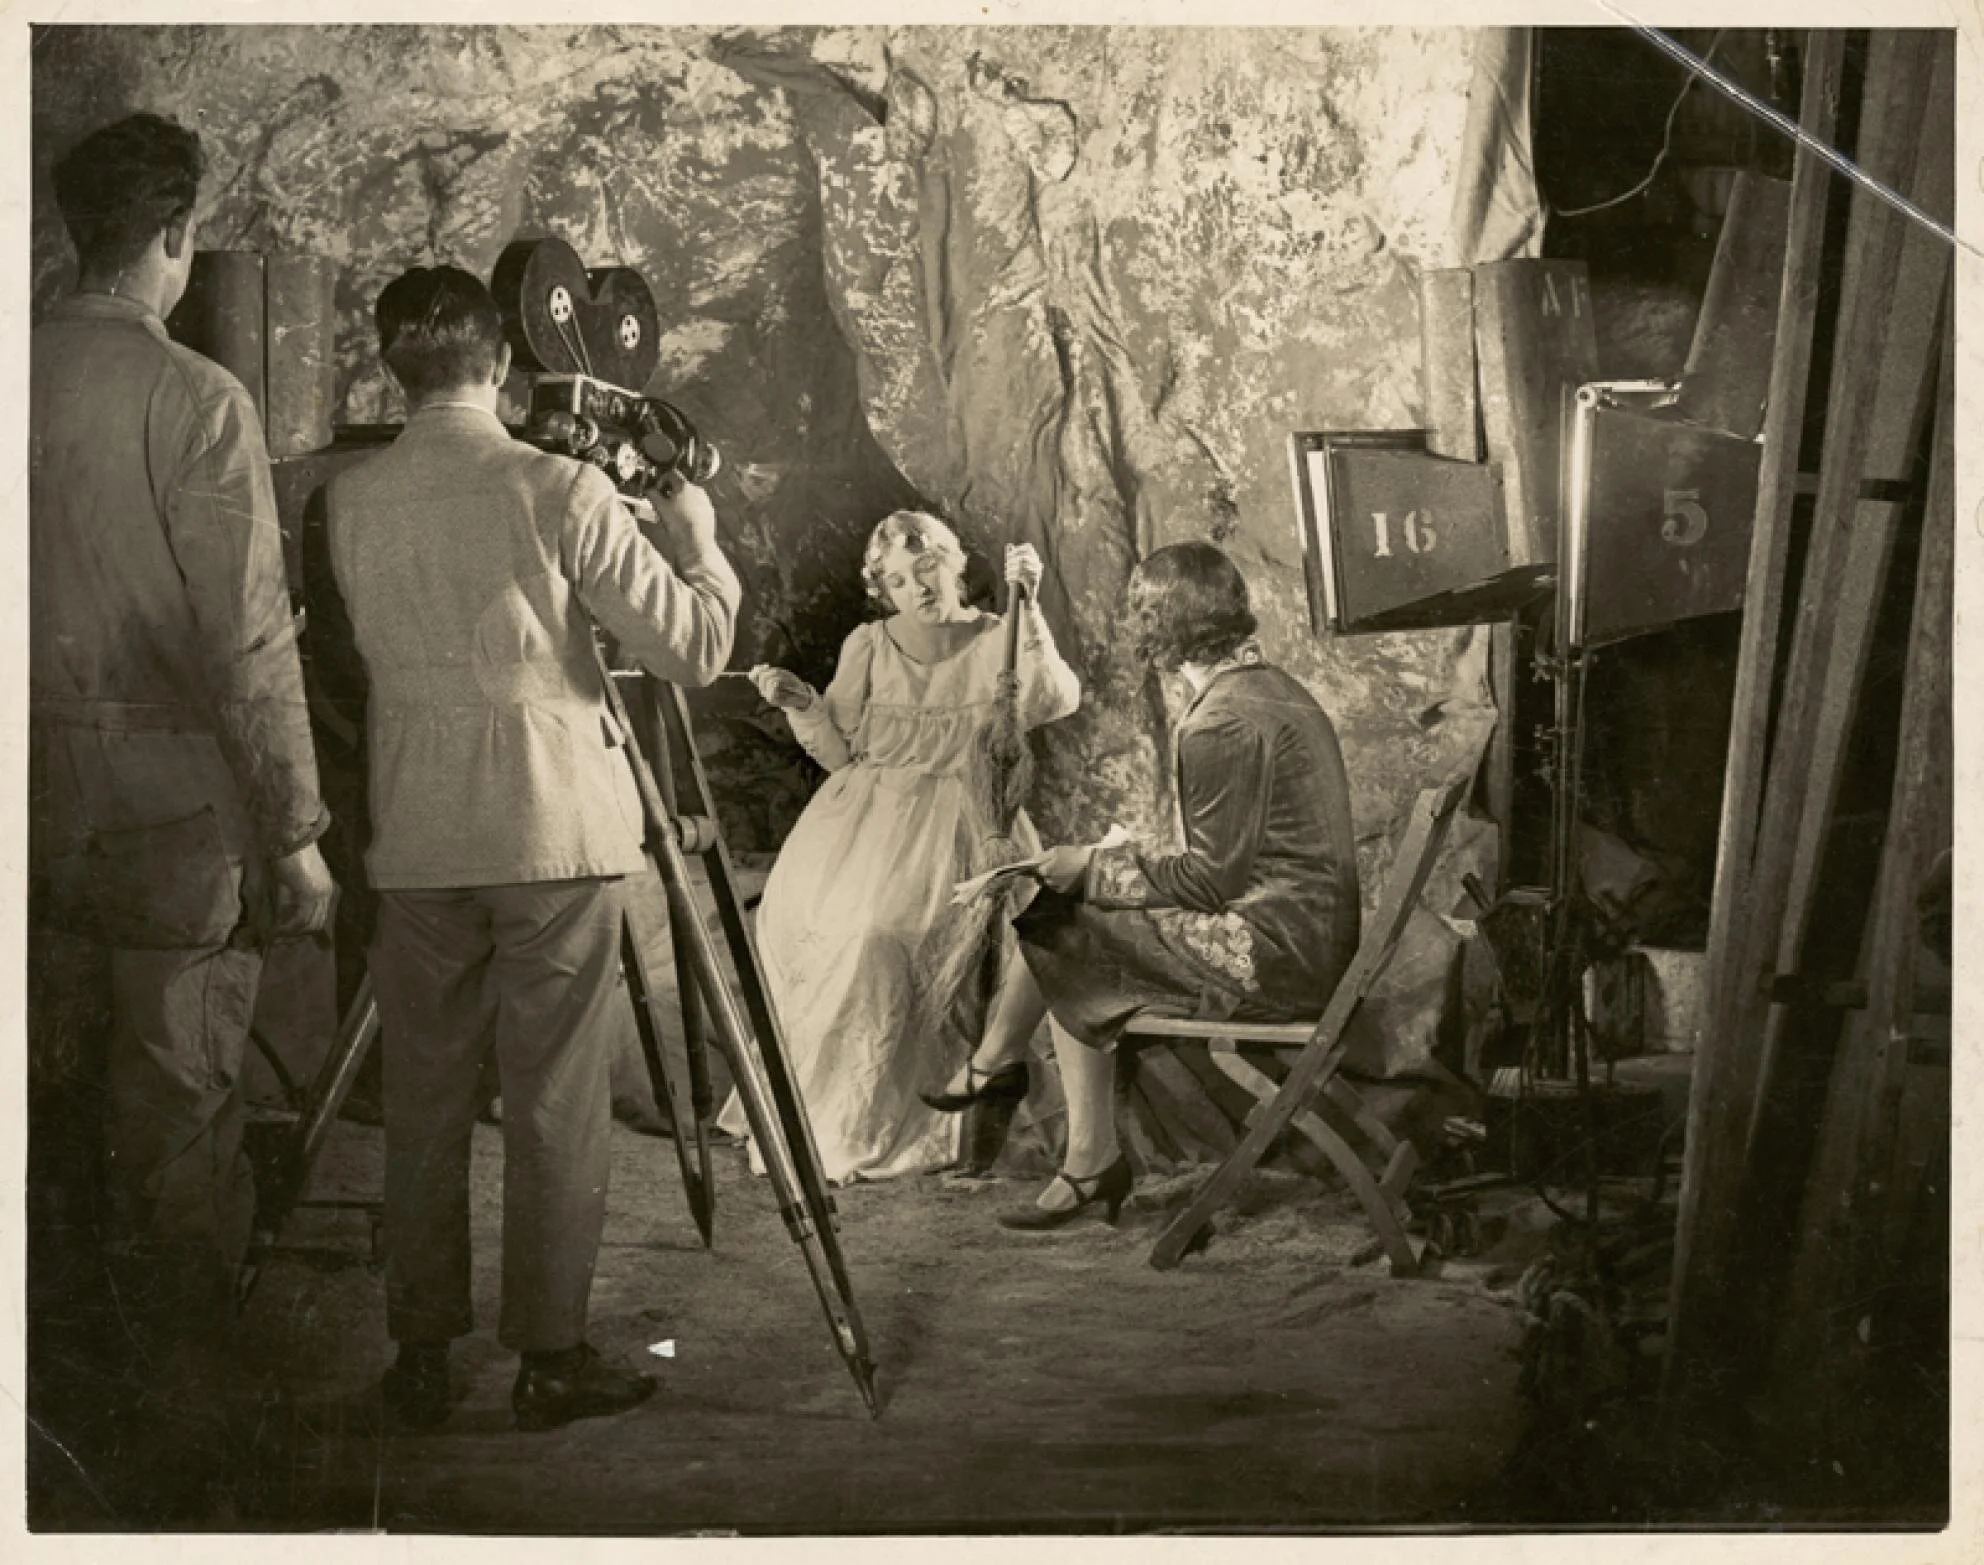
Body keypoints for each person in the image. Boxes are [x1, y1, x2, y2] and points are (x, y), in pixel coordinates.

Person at [323, 265, 741, 1433]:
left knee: (424, 1098)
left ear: (393, 367)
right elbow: (694, 647)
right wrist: (699, 542)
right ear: (501, 363)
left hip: (415, 831)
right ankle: (549, 1355)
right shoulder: (553, 485)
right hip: (552, 828)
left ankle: (418, 1351)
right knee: (554, 1099)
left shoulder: (348, 500)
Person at [28, 112, 339, 1518]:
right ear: (174, 237)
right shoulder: (199, 401)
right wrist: (295, 832)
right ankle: (186, 1475)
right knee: (174, 1136)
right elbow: (248, 644)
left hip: (28, 817)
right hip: (166, 825)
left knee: (40, 1132)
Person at [925, 540, 1361, 1229]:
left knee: (1062, 920)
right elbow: (1239, 860)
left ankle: (1041, 1109)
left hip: (1280, 956)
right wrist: (1113, 866)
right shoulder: (1273, 688)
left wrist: (1095, 865)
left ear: (1155, 628)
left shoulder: (1219, 721)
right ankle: (1035, 1103)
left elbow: (1212, 881)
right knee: (1070, 914)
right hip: (1310, 933)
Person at [718, 512, 1080, 1183]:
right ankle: (843, 1114)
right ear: (882, 591)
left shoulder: (1000, 637)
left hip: (970, 825)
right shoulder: (870, 644)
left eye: (927, 567)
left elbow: (1055, 699)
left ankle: (947, 1111)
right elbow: (839, 753)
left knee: (942, 941)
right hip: (864, 829)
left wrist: (1030, 604)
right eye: (896, 581)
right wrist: (803, 705)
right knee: (857, 935)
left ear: (958, 562)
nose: (917, 586)